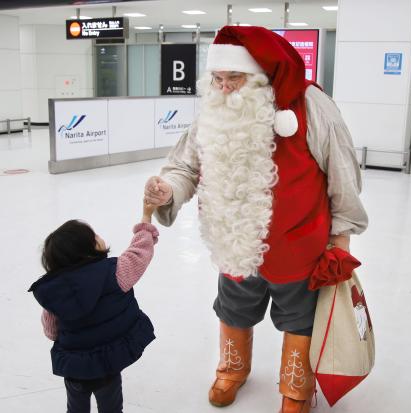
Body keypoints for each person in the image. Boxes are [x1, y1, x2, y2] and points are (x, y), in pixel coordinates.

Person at [145, 26, 368, 413]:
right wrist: (169, 188)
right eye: (218, 79)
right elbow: (185, 164)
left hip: (299, 244)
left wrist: (342, 236)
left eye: (235, 78)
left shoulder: (311, 105)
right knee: (233, 309)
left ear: (261, 76)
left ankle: (297, 388)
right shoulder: (214, 111)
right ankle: (232, 369)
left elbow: (342, 171)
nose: (225, 87)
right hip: (234, 239)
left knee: (300, 319)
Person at [28, 199, 159, 413]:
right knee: (111, 406)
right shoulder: (115, 272)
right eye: (94, 235)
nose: (99, 236)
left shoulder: (54, 293)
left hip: (74, 366)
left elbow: (51, 332)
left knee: (76, 406)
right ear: (88, 250)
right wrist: (146, 217)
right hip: (107, 364)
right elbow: (140, 252)